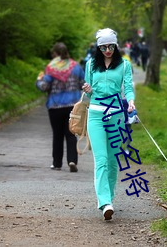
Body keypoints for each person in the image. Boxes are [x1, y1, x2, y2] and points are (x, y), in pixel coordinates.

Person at [82, 28, 135, 220]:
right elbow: (88, 94)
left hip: (116, 115)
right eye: (103, 47)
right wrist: (87, 89)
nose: (107, 50)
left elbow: (128, 87)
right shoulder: (90, 65)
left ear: (116, 45)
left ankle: (110, 198)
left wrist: (130, 101)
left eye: (111, 46)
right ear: (98, 47)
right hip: (95, 114)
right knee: (101, 159)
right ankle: (104, 202)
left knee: (113, 161)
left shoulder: (124, 65)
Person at [36, 42, 85, 172]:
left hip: (55, 106)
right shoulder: (76, 67)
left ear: (55, 54)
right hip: (72, 106)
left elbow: (44, 87)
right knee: (70, 134)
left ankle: (57, 163)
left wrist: (39, 80)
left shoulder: (51, 68)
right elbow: (83, 84)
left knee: (57, 135)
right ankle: (72, 160)